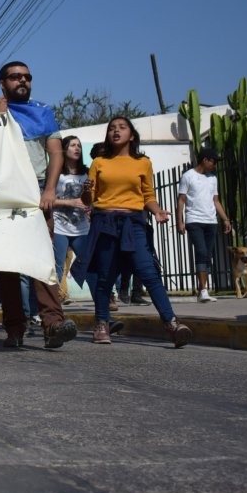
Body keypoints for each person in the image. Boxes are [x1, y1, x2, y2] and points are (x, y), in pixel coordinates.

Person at [0, 61, 78, 349]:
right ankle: (14, 328)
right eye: (15, 77)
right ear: (2, 83)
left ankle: (53, 324)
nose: (22, 81)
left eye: (27, 77)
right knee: (9, 265)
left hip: (35, 192)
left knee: (41, 260)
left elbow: (56, 154)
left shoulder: (43, 111)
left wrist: (49, 190)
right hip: (3, 193)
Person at [75, 117, 193, 347]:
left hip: (133, 223)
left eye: (121, 127)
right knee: (105, 276)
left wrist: (158, 211)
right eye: (111, 129)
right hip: (105, 222)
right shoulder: (99, 162)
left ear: (132, 135)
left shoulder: (143, 163)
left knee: (148, 272)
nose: (116, 131)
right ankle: (101, 324)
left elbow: (148, 195)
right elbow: (88, 200)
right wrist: (86, 191)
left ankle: (172, 324)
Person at [176, 147, 231, 302]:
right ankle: (204, 290)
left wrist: (225, 219)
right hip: (194, 220)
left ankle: (203, 292)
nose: (215, 165)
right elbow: (181, 200)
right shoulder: (188, 176)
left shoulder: (213, 178)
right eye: (213, 161)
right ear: (205, 160)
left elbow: (216, 201)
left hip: (211, 221)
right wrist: (180, 222)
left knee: (207, 255)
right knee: (201, 251)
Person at [52, 135, 90, 304]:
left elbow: (92, 199)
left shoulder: (87, 173)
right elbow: (46, 199)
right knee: (57, 267)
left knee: (89, 264)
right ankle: (53, 307)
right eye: (72, 145)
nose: (77, 148)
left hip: (83, 228)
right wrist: (69, 201)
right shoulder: (56, 173)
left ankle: (103, 307)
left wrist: (91, 206)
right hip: (60, 226)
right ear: (64, 149)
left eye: (79, 146)